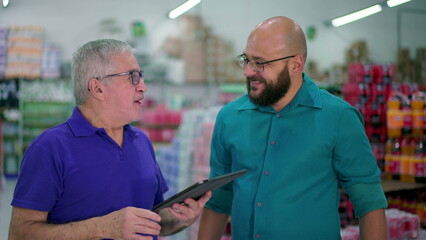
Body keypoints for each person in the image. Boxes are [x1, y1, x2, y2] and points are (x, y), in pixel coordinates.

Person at [198, 16, 388, 240]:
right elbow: (219, 198)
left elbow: (369, 201)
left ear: (296, 64)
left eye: (260, 63)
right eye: (246, 60)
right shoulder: (230, 118)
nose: (248, 71)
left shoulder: (339, 117)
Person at [8, 39, 211, 240]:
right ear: (97, 88)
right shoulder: (49, 148)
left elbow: (154, 219)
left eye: (141, 76)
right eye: (132, 77)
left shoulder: (141, 141)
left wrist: (179, 219)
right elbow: (20, 234)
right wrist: (102, 227)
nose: (143, 87)